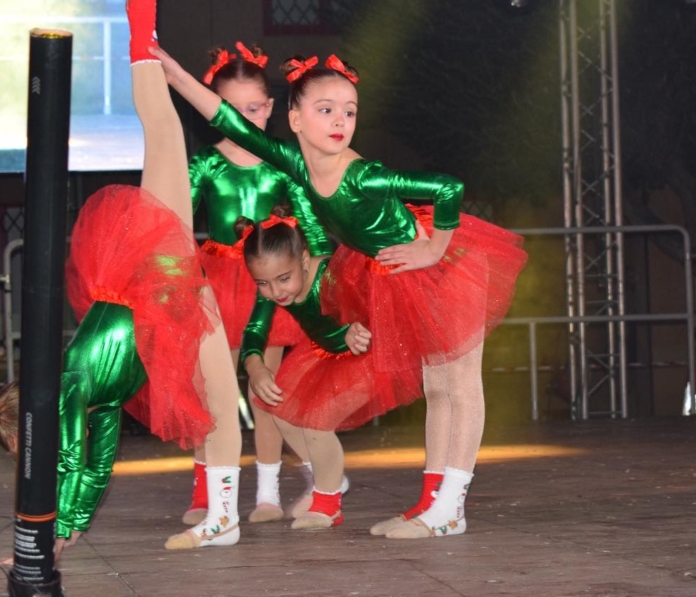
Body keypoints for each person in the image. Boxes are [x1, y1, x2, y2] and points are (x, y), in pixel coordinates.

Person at [155, 47, 528, 540]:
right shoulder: (295, 163)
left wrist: (434, 250)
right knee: (437, 388)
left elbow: (447, 188)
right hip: (398, 273)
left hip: (445, 270)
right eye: (326, 109)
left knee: (458, 384)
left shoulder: (362, 175)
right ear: (295, 119)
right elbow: (230, 121)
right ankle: (431, 503)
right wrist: (175, 74)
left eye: (349, 112)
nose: (340, 121)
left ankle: (451, 507)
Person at [0, 0, 244, 556]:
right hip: (167, 306)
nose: (32, 457)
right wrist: (65, 535)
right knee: (220, 401)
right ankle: (223, 518)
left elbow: (71, 460)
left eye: (24, 449)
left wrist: (46, 534)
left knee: (163, 128)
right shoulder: (95, 401)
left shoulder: (70, 386)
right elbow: (94, 464)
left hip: (154, 280)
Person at [184, 42, 332, 526]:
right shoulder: (206, 163)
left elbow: (311, 226)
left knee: (264, 388)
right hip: (216, 283)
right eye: (231, 110)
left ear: (269, 109)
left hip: (269, 285)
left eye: (253, 109)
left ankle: (267, 493)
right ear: (213, 109)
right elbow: (178, 220)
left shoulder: (282, 162)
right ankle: (206, 491)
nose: (244, 119)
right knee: (212, 391)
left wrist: (316, 275)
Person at [236, 205, 422, 528]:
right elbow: (254, 332)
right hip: (325, 352)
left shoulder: (330, 274)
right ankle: (329, 479)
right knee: (280, 411)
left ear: (304, 259)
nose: (275, 292)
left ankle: (328, 504)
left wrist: (354, 328)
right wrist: (256, 368)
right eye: (263, 283)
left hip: (367, 352)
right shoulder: (272, 291)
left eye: (283, 279)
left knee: (316, 422)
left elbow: (373, 302)